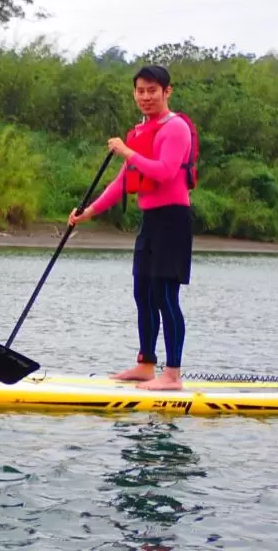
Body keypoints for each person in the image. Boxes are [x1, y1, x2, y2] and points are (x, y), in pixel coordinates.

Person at [69, 65, 198, 391]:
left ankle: (172, 375)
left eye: (152, 90)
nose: (145, 97)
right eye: (140, 91)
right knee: (143, 293)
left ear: (167, 92)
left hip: (173, 220)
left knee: (165, 296)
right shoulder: (142, 131)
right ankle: (145, 365)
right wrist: (90, 211)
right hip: (151, 221)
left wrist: (126, 152)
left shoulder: (176, 128)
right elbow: (124, 180)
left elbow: (165, 173)